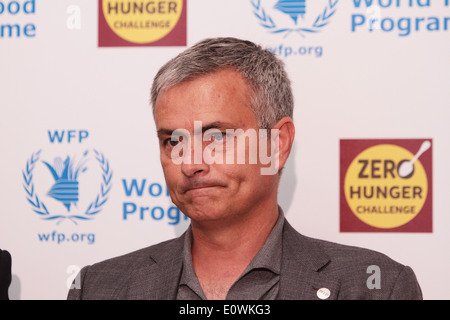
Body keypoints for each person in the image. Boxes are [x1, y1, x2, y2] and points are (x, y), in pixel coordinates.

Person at [67, 37, 422, 300]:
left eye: (217, 136)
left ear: (277, 144)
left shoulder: (375, 287)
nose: (190, 163)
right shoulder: (100, 287)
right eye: (172, 141)